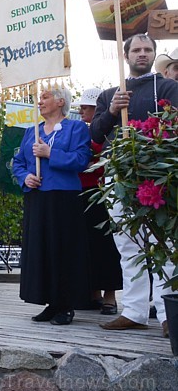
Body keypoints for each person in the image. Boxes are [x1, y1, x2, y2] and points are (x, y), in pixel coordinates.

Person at [91, 34, 178, 337]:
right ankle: (134, 311)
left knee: (163, 244)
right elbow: (97, 134)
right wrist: (113, 110)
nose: (142, 54)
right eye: (136, 50)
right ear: (125, 56)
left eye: (148, 50)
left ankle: (168, 314)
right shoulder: (109, 94)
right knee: (127, 243)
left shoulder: (169, 88)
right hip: (119, 175)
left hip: (157, 173)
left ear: (154, 54)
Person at [13, 87, 91, 325]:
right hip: (37, 196)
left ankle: (65, 304)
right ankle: (49, 301)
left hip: (64, 196)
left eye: (45, 97)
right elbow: (18, 162)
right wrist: (25, 177)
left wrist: (50, 153)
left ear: (60, 101)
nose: (40, 101)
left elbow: (81, 160)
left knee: (63, 249)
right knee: (42, 249)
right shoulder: (31, 132)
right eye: (40, 97)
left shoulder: (76, 128)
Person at [75, 88, 122, 315]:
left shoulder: (111, 130)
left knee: (106, 245)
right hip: (81, 193)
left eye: (86, 106)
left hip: (102, 191)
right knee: (86, 244)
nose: (81, 110)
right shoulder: (79, 130)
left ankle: (110, 296)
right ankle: (91, 291)